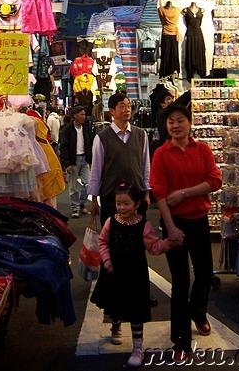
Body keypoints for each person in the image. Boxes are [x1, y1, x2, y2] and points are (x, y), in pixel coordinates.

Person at [150, 104, 222, 364]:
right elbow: (159, 194)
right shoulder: (161, 154)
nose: (176, 125)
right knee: (180, 281)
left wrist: (184, 193)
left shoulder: (201, 149)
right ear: (166, 126)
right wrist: (170, 228)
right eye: (171, 122)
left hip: (199, 220)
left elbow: (214, 181)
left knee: (204, 273)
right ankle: (180, 341)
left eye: (180, 120)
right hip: (175, 222)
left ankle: (198, 313)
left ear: (189, 123)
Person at [90, 181, 178, 367]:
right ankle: (116, 325)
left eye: (126, 203)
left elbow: (154, 247)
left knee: (137, 310)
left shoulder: (143, 226)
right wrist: (107, 260)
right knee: (114, 304)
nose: (121, 207)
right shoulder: (111, 222)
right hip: (113, 273)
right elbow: (103, 242)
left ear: (137, 203)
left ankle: (138, 347)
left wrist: (169, 243)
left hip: (135, 275)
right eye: (118, 203)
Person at [89, 91, 151, 226]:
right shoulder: (102, 138)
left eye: (128, 106)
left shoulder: (141, 135)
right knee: (112, 237)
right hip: (111, 197)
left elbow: (145, 166)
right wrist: (94, 200)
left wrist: (146, 193)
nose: (127, 110)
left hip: (136, 195)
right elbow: (96, 170)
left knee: (137, 236)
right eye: (122, 106)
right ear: (112, 110)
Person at [59, 105, 92, 218]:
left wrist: (90, 159)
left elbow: (89, 144)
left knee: (88, 184)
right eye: (82, 114)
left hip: (84, 159)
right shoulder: (67, 130)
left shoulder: (86, 128)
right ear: (75, 116)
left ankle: (81, 203)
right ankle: (75, 208)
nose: (84, 117)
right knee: (73, 187)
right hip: (73, 160)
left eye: (84, 114)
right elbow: (63, 147)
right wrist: (66, 163)